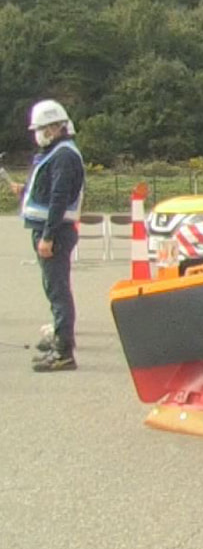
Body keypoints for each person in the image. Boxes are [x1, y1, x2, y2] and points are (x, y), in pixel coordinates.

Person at [11, 99, 85, 372]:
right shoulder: (57, 153)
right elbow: (48, 191)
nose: (37, 134)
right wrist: (26, 191)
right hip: (50, 230)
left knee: (58, 290)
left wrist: (49, 236)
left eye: (41, 128)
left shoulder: (64, 155)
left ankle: (63, 351)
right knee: (54, 288)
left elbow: (59, 197)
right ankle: (60, 339)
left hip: (55, 232)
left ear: (55, 127)